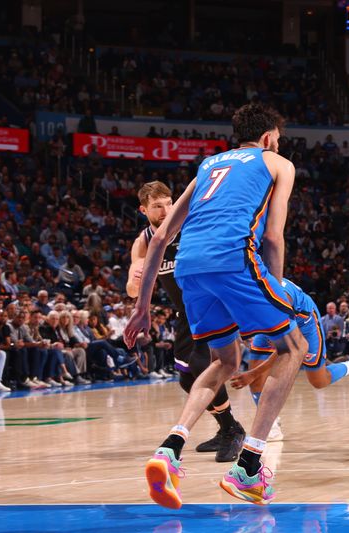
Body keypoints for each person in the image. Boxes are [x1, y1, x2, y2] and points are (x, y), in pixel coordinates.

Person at [124, 103, 307, 508]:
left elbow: (159, 239)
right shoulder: (277, 162)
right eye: (278, 137)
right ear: (268, 137)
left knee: (224, 361)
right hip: (233, 258)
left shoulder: (208, 164)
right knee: (294, 346)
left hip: (189, 267)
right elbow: (273, 236)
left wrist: (142, 308)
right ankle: (249, 469)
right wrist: (277, 290)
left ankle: (168, 452)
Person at [127, 181, 245, 463]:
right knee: (186, 379)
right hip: (186, 315)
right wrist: (135, 279)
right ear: (143, 210)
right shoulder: (144, 241)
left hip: (211, 305)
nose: (166, 210)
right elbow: (133, 289)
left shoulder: (190, 225)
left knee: (202, 367)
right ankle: (228, 427)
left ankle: (232, 433)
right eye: (157, 206)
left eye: (169, 203)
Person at [230, 278, 349, 437]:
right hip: (272, 323)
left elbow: (285, 349)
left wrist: (253, 373)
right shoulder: (243, 289)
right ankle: (271, 425)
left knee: (319, 381)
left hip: (305, 326)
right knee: (256, 377)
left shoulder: (279, 300)